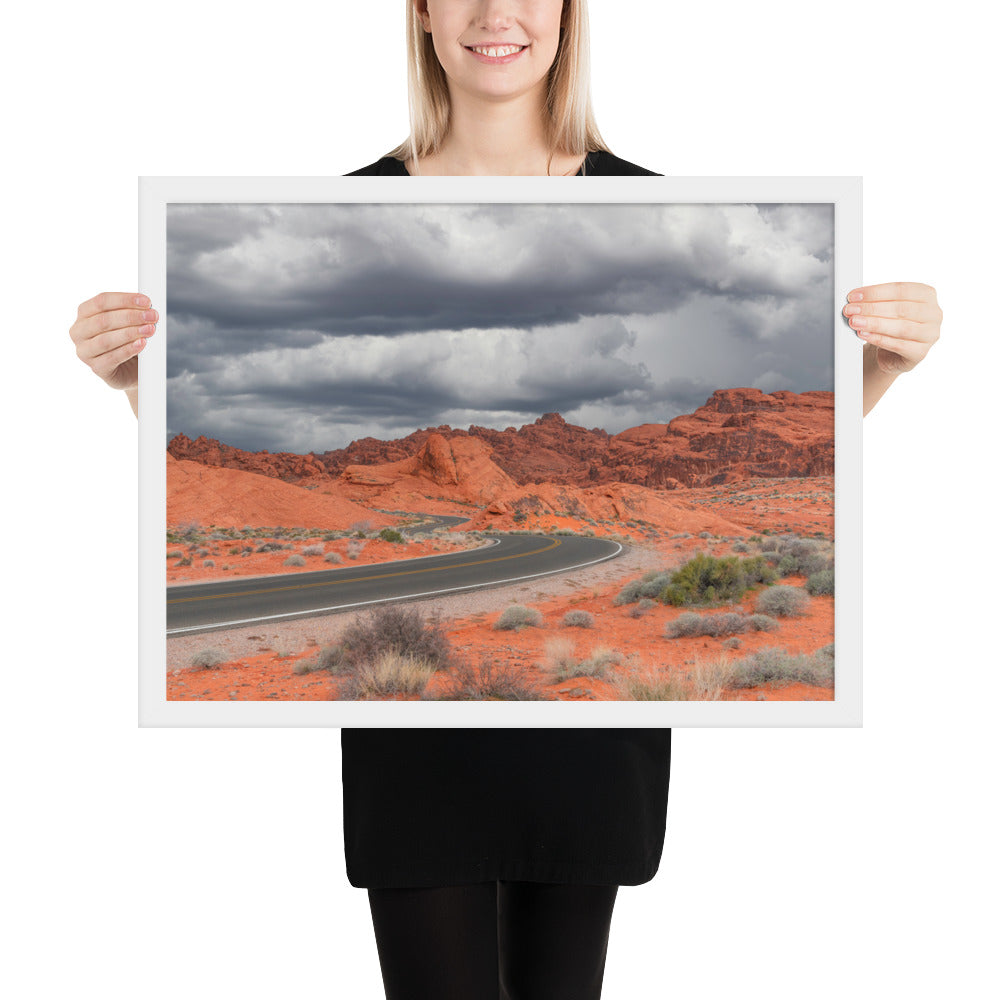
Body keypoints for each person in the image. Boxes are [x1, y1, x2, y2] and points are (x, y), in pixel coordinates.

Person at [68, 2, 942, 997]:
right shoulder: (347, 208)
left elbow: (818, 470)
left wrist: (881, 369)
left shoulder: (658, 208)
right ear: (424, 15)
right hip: (415, 746)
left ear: (568, 16)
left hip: (587, 749)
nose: (496, 13)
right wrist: (137, 385)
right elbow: (181, 488)